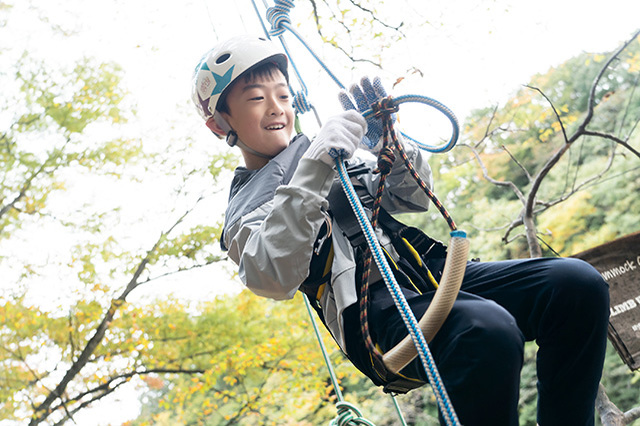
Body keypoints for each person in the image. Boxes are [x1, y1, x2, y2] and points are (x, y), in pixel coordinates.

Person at [192, 34, 610, 425]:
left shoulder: (333, 147)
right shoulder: (246, 208)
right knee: (485, 331)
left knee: (575, 285)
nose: (276, 107)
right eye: (255, 99)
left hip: (429, 275)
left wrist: (386, 143)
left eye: (283, 95)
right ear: (219, 124)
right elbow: (272, 274)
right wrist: (313, 169)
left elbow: (412, 198)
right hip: (373, 315)